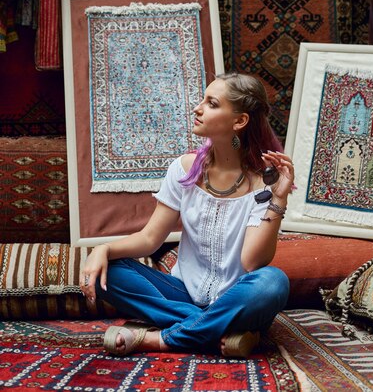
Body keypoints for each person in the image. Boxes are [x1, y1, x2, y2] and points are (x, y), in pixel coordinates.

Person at [80, 72, 294, 358]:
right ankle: (218, 331)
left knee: (273, 282)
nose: (198, 108)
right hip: (182, 294)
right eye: (203, 100)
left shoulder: (263, 184)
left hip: (238, 299)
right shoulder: (183, 169)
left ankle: (161, 339)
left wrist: (277, 200)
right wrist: (102, 249)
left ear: (239, 121)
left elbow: (251, 261)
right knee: (104, 272)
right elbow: (149, 238)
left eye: (212, 103)